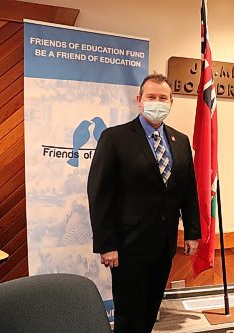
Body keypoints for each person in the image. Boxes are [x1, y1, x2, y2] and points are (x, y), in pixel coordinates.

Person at [87, 73, 201, 333]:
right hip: (128, 248)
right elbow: (100, 194)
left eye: (163, 98)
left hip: (163, 246)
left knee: (151, 311)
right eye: (151, 97)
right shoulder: (114, 138)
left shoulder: (180, 141)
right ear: (139, 101)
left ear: (171, 103)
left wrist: (193, 232)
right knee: (129, 317)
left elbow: (188, 189)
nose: (157, 103)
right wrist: (107, 244)